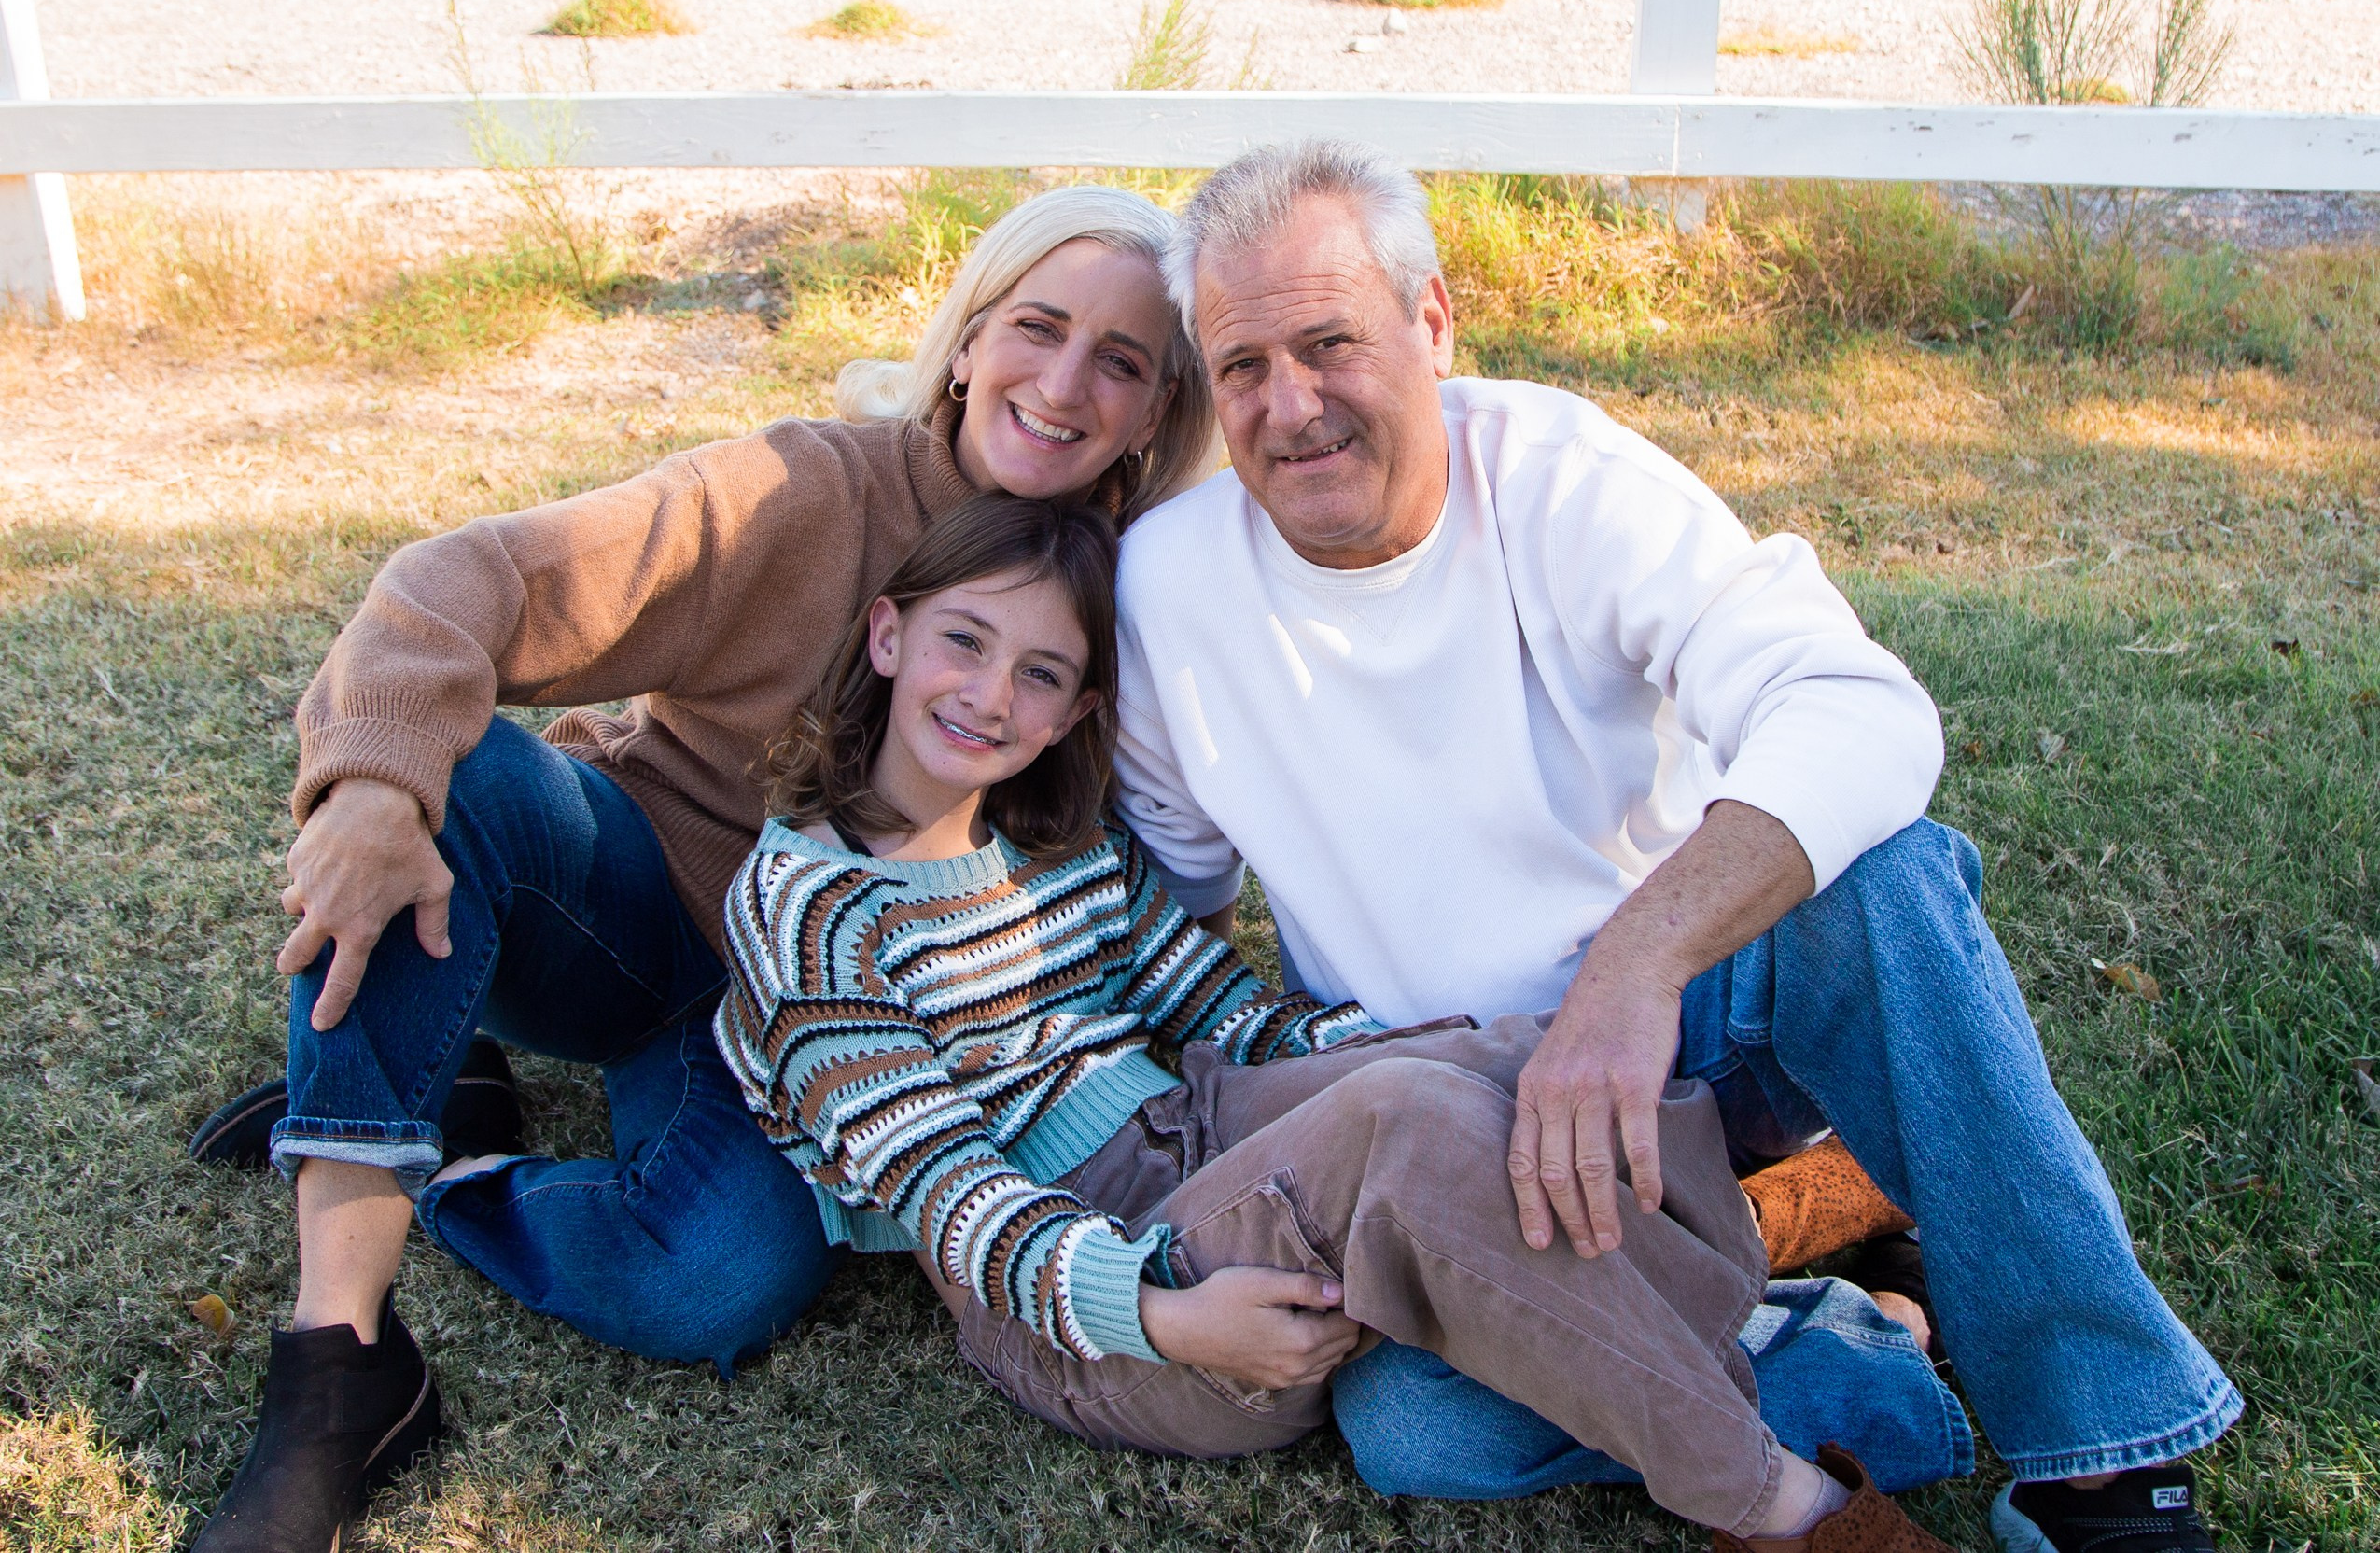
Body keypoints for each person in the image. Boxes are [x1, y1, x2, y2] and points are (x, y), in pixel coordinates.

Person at [1112, 139, 2238, 1553]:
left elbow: (1852, 705)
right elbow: (1161, 907)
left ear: (1432, 322)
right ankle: (1830, 1271)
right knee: (1419, 1430)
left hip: (1691, 1029)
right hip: (1471, 1117)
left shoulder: (1559, 478)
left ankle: (2101, 1458)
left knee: (1876, 882)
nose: (1291, 407)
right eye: (1243, 366)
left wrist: (1637, 962)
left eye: (1330, 343)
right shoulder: (1168, 583)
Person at [187, 185, 1220, 1553]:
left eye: (1123, 361)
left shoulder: (1159, 590)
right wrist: (374, 782)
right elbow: (463, 580)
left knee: (713, 1286)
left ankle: (457, 1150)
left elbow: (1138, 889)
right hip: (622, 908)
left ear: (1156, 412)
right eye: (1036, 328)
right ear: (967, 341)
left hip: (819, 1032)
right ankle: (340, 1364)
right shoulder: (801, 491)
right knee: (461, 779)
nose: (1064, 382)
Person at [712, 489, 1958, 1553]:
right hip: (1084, 1297)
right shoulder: (807, 912)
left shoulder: (1057, 848)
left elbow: (1236, 1019)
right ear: (887, 634)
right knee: (1412, 1119)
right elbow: (948, 1196)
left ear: (1076, 710)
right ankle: (1775, 1499)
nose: (990, 695)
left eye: (1039, 673)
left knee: (1505, 1063)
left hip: (1191, 1137)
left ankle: (1771, 1250)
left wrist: (1449, 1044)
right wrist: (1163, 1316)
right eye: (962, 642)